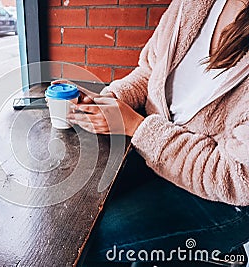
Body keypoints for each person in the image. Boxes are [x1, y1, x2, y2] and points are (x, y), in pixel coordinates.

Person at [57, 0, 249, 265]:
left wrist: (135, 126)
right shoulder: (192, 3)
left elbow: (237, 178)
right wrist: (110, 99)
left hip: (224, 199)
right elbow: (150, 71)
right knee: (77, 208)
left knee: (91, 242)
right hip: (157, 153)